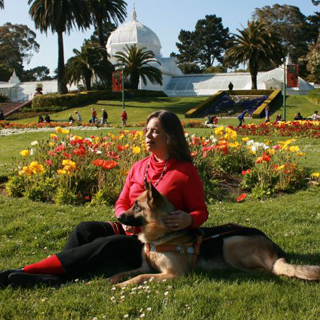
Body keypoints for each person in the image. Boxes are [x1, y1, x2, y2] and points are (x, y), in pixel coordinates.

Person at [0, 110, 208, 287]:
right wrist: (122, 217)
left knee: (108, 244)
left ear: (170, 136)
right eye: (147, 130)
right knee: (85, 229)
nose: (148, 135)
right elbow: (121, 203)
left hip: (154, 240)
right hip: (130, 225)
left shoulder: (185, 172)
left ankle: (29, 272)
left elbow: (200, 211)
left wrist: (188, 219)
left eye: (155, 131)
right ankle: (51, 275)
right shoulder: (139, 166)